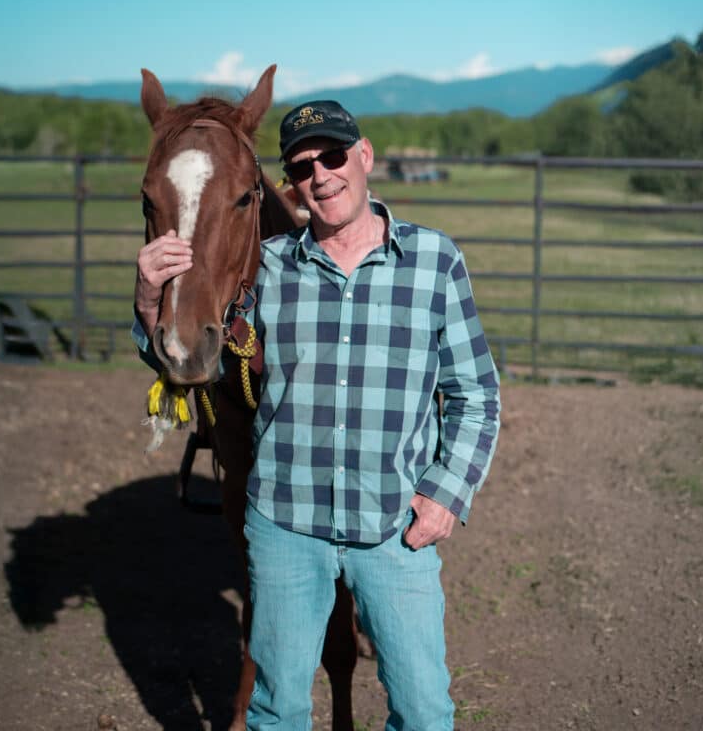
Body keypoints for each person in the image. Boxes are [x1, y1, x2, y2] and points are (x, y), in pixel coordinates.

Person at [135, 100, 500, 730]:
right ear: (291, 184)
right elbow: (207, 365)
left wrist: (444, 496)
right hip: (286, 525)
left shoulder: (434, 262)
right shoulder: (268, 271)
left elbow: (477, 394)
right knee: (278, 712)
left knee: (424, 712)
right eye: (303, 167)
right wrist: (148, 301)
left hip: (392, 528)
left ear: (364, 158)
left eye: (333, 156)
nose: (321, 175)